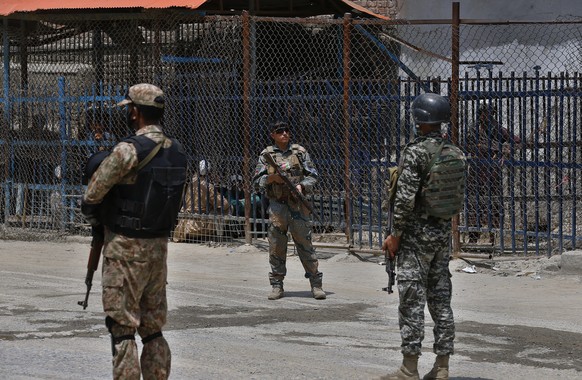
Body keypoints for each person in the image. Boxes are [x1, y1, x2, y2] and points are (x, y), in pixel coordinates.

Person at [81, 83, 187, 380]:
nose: (128, 113)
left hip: (125, 249)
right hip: (158, 249)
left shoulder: (128, 150)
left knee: (122, 329)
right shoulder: (177, 151)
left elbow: (93, 194)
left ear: (136, 113)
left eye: (129, 109)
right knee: (153, 329)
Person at [381, 93, 463, 380]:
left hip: (416, 235)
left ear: (420, 120)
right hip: (441, 233)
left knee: (412, 300)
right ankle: (442, 368)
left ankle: (409, 368)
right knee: (441, 300)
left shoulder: (416, 152)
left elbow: (403, 200)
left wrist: (395, 235)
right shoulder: (453, 151)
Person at [252, 121, 325, 300]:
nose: (284, 133)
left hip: (297, 205)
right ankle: (277, 285)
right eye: (279, 131)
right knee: (276, 246)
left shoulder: (299, 152)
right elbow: (256, 182)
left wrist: (301, 186)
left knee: (305, 245)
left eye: (286, 130)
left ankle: (316, 284)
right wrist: (271, 178)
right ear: (273, 135)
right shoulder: (266, 155)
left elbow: (313, 175)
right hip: (277, 206)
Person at [465, 102, 521, 244]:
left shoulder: (497, 129)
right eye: (482, 114)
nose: (484, 117)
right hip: (476, 171)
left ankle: (492, 238)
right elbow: (467, 145)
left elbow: (516, 141)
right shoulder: (474, 130)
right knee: (473, 205)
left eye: (488, 114)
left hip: (492, 172)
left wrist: (503, 150)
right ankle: (473, 239)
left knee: (494, 205)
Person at [172, 159, 231, 242]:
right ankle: (218, 235)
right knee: (227, 208)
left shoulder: (190, 183)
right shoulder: (208, 186)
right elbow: (223, 204)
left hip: (184, 224)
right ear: (209, 173)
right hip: (198, 225)